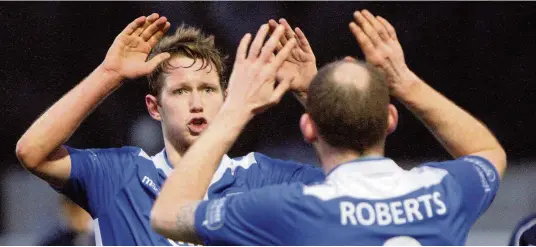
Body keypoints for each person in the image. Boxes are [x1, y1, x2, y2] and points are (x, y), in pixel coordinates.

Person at [151, 9, 507, 245]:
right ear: (391, 119)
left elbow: (167, 214)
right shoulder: (443, 193)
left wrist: (235, 109)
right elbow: (487, 152)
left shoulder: (287, 209)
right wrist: (405, 82)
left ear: (308, 128)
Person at [15, 13, 323, 245]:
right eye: (180, 91)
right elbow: (33, 152)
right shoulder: (120, 174)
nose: (196, 102)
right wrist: (108, 74)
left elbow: (361, 180)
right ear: (154, 107)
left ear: (227, 98)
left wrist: (312, 93)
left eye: (207, 89)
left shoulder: (264, 178)